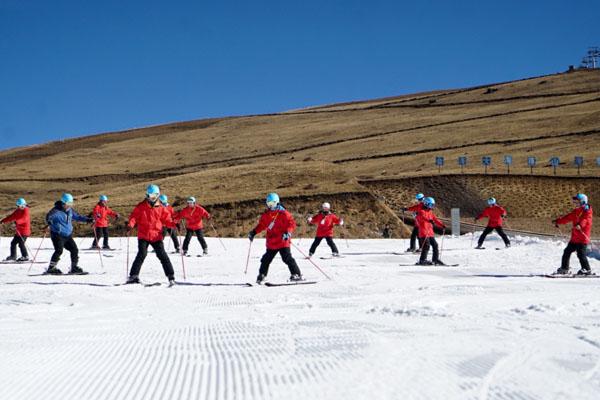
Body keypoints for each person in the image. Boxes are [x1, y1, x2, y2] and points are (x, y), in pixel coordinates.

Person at [248, 193, 303, 284]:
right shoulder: (266, 215)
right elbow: (261, 225)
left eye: (273, 203)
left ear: (277, 202)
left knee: (287, 258)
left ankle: (296, 274)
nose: (271, 206)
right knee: (266, 259)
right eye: (269, 204)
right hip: (272, 242)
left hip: (282, 240)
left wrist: (288, 232)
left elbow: (291, 223)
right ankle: (262, 275)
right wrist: (253, 232)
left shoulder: (284, 213)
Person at [126, 184, 176, 285]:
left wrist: (174, 224)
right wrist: (130, 225)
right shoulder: (141, 206)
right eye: (150, 195)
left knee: (162, 255)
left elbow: (167, 219)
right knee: (142, 254)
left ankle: (171, 276)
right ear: (147, 195)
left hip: (156, 235)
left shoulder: (161, 208)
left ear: (158, 195)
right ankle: (133, 276)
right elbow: (134, 217)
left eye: (154, 196)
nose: (152, 198)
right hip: (143, 235)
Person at [45, 193, 94, 274]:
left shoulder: (70, 211)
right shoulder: (56, 210)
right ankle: (51, 268)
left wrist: (88, 219)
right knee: (59, 250)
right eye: (68, 203)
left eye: (71, 203)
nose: (69, 205)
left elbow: (78, 217)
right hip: (57, 234)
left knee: (74, 250)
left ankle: (74, 268)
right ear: (63, 203)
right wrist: (49, 221)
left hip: (67, 235)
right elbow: (48, 216)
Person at [552, 193, 593, 275]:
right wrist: (558, 221)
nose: (575, 204)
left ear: (583, 202)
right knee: (566, 251)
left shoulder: (587, 212)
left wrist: (580, 225)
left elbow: (585, 220)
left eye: (577, 202)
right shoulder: (576, 212)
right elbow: (567, 218)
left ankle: (587, 269)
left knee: (581, 254)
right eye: (574, 202)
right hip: (575, 238)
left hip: (582, 238)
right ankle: (564, 268)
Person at [415, 197, 446, 266]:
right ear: (426, 204)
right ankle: (422, 260)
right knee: (426, 246)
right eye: (430, 205)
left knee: (435, 245)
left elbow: (435, 219)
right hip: (423, 232)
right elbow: (422, 217)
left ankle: (435, 259)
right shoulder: (421, 211)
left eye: (432, 205)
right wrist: (429, 220)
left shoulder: (430, 212)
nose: (432, 206)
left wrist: (442, 225)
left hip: (430, 232)